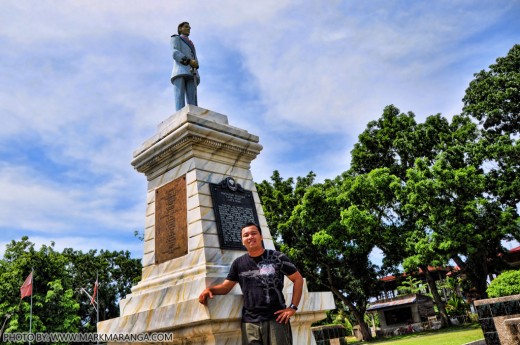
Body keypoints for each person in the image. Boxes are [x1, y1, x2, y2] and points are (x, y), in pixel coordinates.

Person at [199, 222, 304, 345]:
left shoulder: (278, 257)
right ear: (242, 240)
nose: (250, 237)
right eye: (246, 235)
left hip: (276, 319)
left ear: (261, 236)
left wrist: (293, 307)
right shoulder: (238, 263)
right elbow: (226, 287)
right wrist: (210, 290)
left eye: (254, 233)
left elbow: (298, 279)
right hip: (249, 323)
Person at [171, 21, 200, 111]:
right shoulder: (176, 38)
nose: (189, 29)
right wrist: (188, 61)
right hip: (180, 70)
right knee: (179, 95)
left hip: (192, 72)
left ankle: (194, 114)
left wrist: (196, 65)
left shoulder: (191, 43)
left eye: (189, 27)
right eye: (186, 27)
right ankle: (180, 115)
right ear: (180, 29)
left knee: (193, 99)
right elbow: (175, 52)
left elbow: (194, 56)